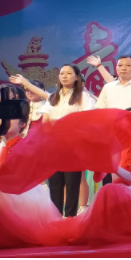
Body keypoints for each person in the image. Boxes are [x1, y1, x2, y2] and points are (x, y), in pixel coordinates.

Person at [0, 94, 66, 249]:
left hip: (25, 198)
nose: (4, 122)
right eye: (2, 119)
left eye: (10, 119)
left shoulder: (29, 149)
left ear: (22, 124)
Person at [69, 107, 131, 245]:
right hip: (114, 191)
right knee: (107, 190)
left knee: (108, 190)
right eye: (128, 120)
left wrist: (114, 168)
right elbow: (98, 178)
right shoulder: (115, 146)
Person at [34, 64, 95, 217]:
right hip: (53, 144)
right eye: (62, 73)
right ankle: (55, 217)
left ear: (76, 77)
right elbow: (46, 121)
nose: (64, 76)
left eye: (68, 73)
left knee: (72, 182)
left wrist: (65, 125)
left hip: (73, 145)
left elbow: (86, 120)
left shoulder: (83, 97)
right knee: (55, 183)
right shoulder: (52, 97)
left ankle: (70, 218)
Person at [93, 55, 131, 145]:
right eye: (120, 65)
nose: (123, 68)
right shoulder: (108, 87)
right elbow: (101, 113)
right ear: (116, 67)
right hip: (110, 135)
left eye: (128, 65)